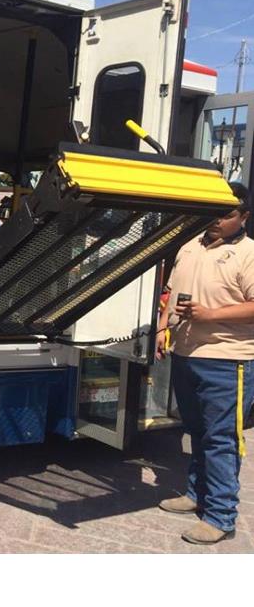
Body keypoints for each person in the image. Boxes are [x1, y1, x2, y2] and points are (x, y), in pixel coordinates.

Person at [155, 182, 254, 544]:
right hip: (186, 355)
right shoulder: (189, 246)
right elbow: (171, 293)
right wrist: (162, 327)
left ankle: (221, 516)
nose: (217, 220)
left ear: (244, 216)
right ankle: (196, 494)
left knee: (221, 439)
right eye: (214, 212)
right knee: (196, 431)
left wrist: (210, 315)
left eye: (227, 214)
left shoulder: (248, 253)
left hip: (227, 360)